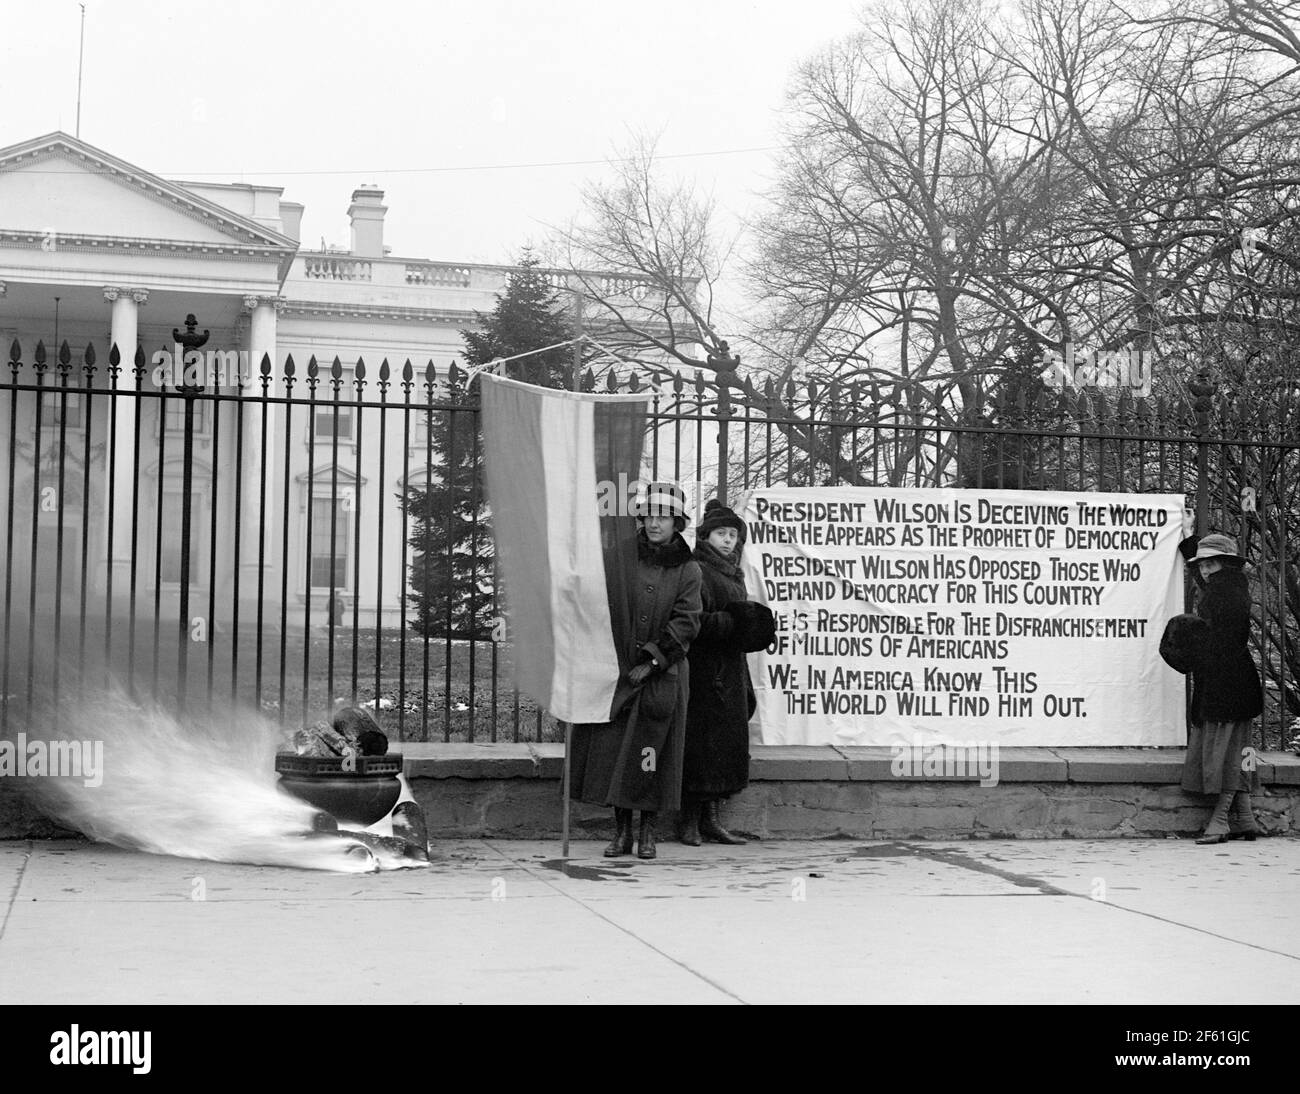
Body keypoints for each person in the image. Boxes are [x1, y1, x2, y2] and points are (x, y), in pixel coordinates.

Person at [569, 482, 702, 859]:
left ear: (677, 523)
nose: (654, 523)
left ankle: (648, 831)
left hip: (662, 676)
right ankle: (621, 831)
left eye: (663, 517)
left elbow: (688, 621)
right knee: (615, 754)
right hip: (619, 675)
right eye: (648, 516)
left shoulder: (689, 570)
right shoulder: (620, 559)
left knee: (651, 755)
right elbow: (599, 602)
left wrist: (655, 659)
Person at [680, 499, 765, 846]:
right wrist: (735, 621)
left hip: (729, 671)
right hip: (703, 672)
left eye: (733, 535)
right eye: (721, 534)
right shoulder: (698, 570)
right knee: (700, 747)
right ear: (705, 536)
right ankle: (688, 822)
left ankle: (712, 819)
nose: (728, 541)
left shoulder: (733, 572)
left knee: (723, 749)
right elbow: (693, 621)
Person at [1177, 532, 1263, 843]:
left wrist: (1193, 638)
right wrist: (1191, 545)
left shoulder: (1224, 592)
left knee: (1226, 754)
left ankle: (1222, 818)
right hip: (1235, 684)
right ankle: (1247, 818)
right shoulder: (1228, 587)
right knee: (1241, 750)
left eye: (1210, 564)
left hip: (1225, 686)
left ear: (1225, 565)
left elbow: (1223, 638)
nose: (1204, 571)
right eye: (1201, 565)